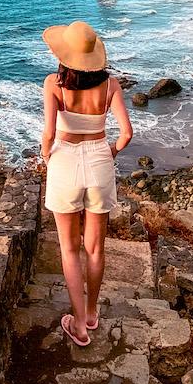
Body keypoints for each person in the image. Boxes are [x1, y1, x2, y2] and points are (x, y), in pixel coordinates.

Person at [40, 20, 133, 347]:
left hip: (65, 161)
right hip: (99, 162)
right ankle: (92, 313)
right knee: (95, 248)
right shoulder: (111, 86)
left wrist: (46, 157)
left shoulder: (53, 83)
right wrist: (110, 150)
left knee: (69, 248)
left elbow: (49, 135)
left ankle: (78, 324)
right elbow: (126, 134)